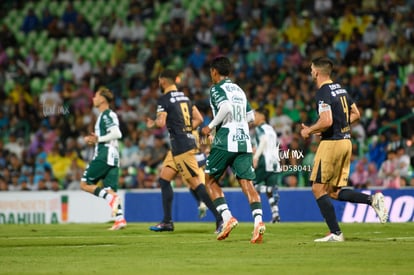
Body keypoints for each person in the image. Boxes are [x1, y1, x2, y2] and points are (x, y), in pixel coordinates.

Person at [300, 57, 388, 242]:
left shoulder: (323, 92)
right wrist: (338, 126)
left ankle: (336, 233)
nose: (311, 73)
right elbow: (356, 113)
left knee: (317, 188)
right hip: (346, 142)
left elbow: (326, 121)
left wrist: (309, 129)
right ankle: (372, 200)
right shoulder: (340, 89)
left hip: (331, 143)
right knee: (332, 191)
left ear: (316, 72)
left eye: (311, 69)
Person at [146, 69, 223, 232]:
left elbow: (161, 123)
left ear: (163, 81)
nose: (159, 84)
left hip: (181, 146)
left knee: (195, 183)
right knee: (164, 179)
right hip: (179, 145)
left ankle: (221, 218)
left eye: (160, 81)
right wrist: (187, 129)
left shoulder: (164, 99)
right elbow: (199, 119)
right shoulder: (185, 98)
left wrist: (152, 123)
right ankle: (167, 221)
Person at [201, 56, 265, 244]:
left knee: (210, 180)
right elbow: (251, 117)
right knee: (247, 183)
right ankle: (258, 222)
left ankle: (227, 217)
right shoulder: (239, 90)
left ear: (214, 71)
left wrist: (210, 126)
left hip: (225, 139)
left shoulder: (216, 88)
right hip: (243, 139)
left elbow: (226, 107)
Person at [80, 87, 126, 230]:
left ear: (102, 99)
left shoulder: (106, 114)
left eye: (95, 96)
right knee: (110, 189)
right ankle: (119, 219)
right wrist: (95, 139)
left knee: (85, 184)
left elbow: (117, 133)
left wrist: (98, 139)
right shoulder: (103, 116)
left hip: (105, 154)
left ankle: (110, 199)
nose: (93, 98)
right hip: (113, 156)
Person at [253, 107, 281, 223]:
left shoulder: (260, 128)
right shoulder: (271, 129)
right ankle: (276, 215)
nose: (253, 118)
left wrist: (256, 157)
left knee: (253, 187)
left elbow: (263, 140)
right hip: (274, 162)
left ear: (261, 116)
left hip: (264, 161)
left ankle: (269, 188)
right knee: (270, 192)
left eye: (255, 115)